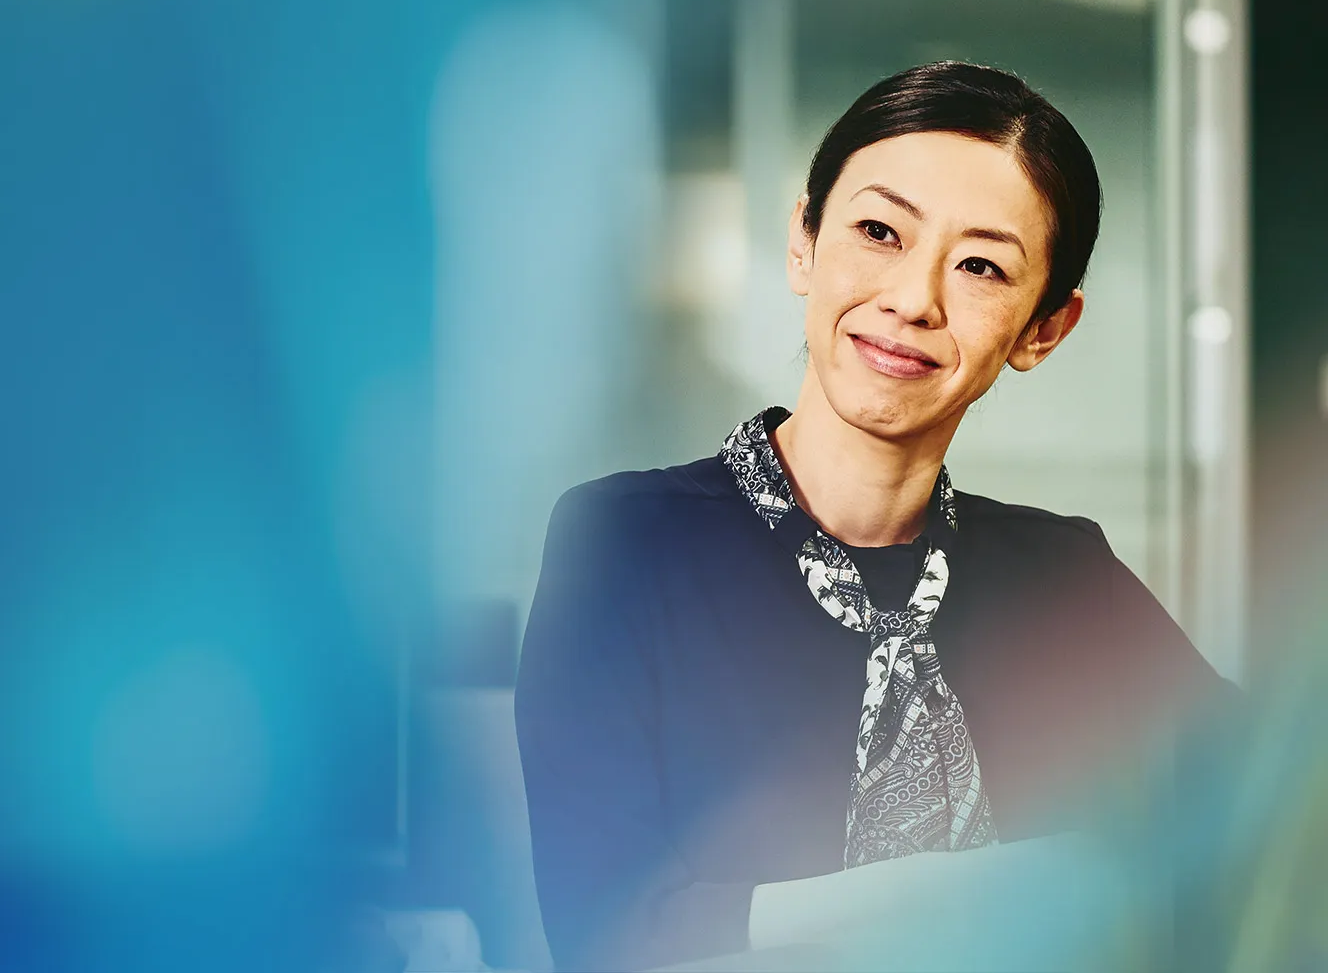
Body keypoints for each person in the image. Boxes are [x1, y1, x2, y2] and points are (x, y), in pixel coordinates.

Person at [513, 62, 1237, 971]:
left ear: (1043, 330)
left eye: (980, 266)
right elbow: (608, 930)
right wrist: (989, 886)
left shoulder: (1064, 572)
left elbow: (1270, 803)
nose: (912, 300)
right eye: (878, 231)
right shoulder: (625, 542)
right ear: (803, 245)